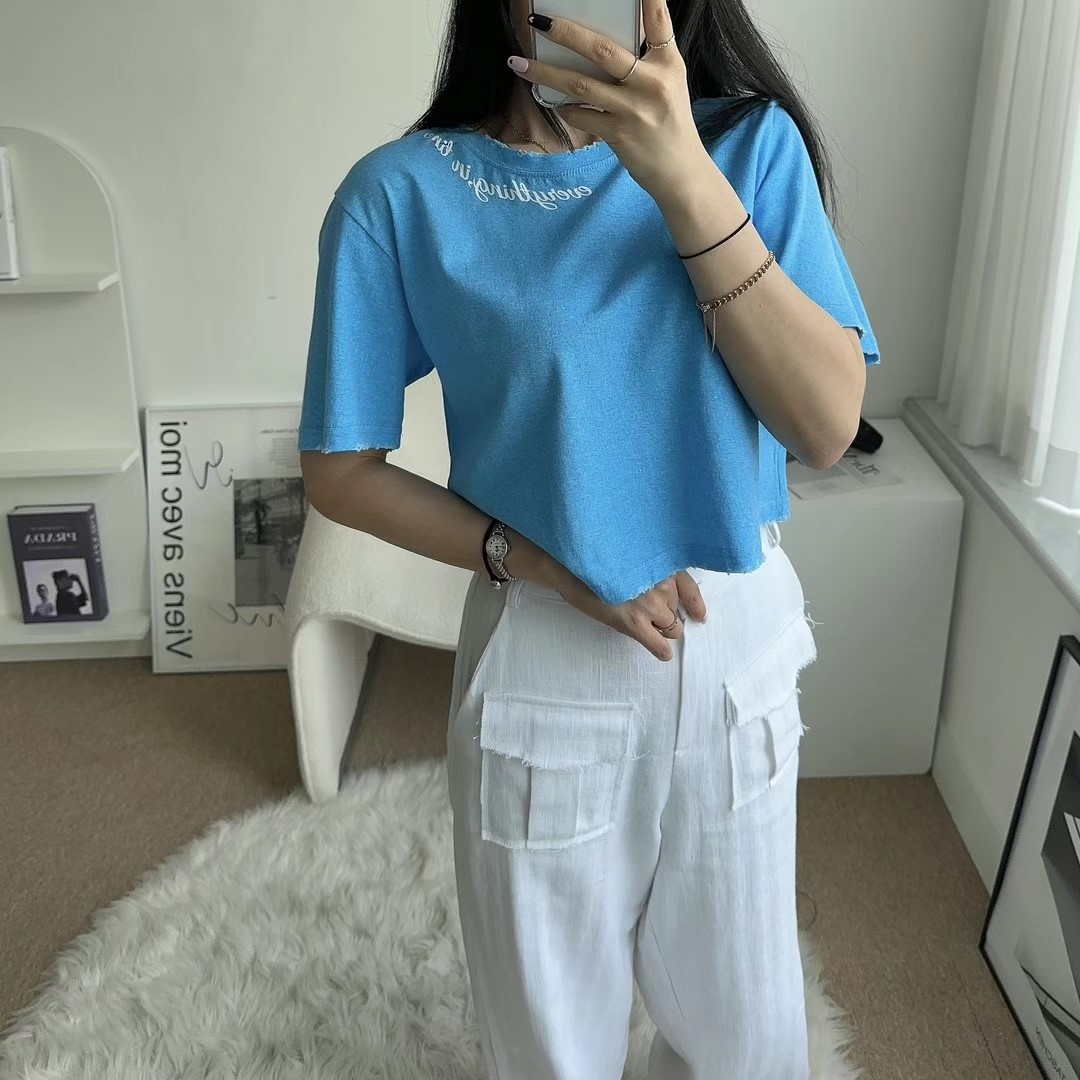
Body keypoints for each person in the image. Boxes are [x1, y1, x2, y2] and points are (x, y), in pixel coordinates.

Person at [298, 1, 880, 1076]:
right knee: (550, 1048)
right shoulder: (403, 193)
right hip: (545, 655)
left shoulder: (750, 147)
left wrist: (682, 175)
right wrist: (533, 559)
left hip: (738, 648)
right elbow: (340, 469)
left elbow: (826, 425)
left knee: (751, 1043)